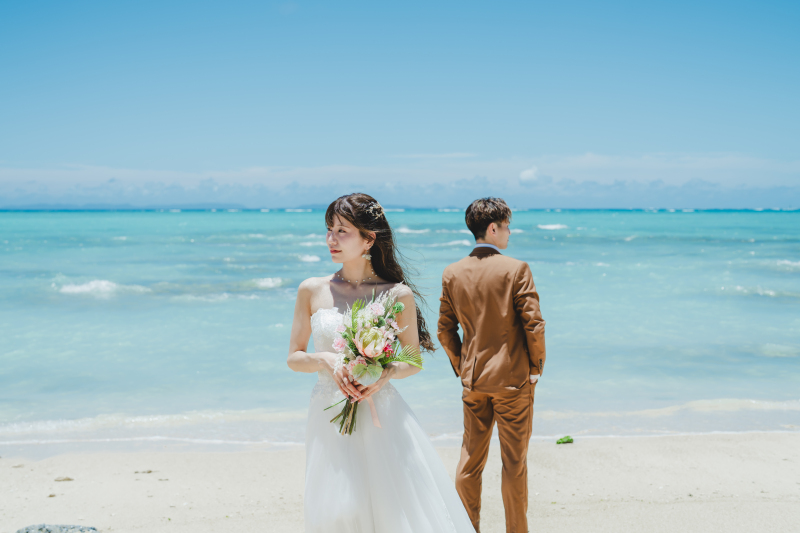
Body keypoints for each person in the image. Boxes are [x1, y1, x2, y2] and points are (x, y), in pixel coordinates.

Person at [287, 192, 475, 533]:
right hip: (328, 413)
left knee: (396, 513)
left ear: (369, 238)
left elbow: (413, 362)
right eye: (329, 229)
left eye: (342, 231)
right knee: (337, 510)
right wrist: (324, 359)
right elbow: (295, 357)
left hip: (382, 417)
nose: (331, 239)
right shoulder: (311, 289)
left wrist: (384, 373)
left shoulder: (396, 293)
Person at [438, 197, 546, 533]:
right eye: (507, 226)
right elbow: (534, 324)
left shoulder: (452, 272)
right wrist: (535, 367)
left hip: (473, 381)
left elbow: (445, 329)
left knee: (470, 462)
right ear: (493, 228)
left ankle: (468, 529)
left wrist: (462, 366)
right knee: (514, 464)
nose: (510, 233)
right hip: (513, 382)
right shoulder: (516, 268)